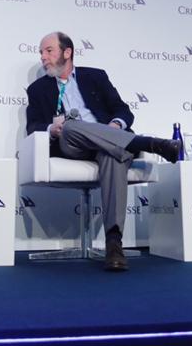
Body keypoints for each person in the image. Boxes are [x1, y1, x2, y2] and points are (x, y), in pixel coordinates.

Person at [25, 32, 181, 271]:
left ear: (67, 52)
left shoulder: (95, 77)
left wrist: (116, 125)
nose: (43, 57)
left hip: (107, 142)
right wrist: (52, 128)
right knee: (71, 125)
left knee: (113, 155)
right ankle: (149, 144)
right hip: (71, 145)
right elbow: (32, 126)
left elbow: (122, 110)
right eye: (41, 52)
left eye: (48, 51)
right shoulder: (38, 89)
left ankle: (114, 243)